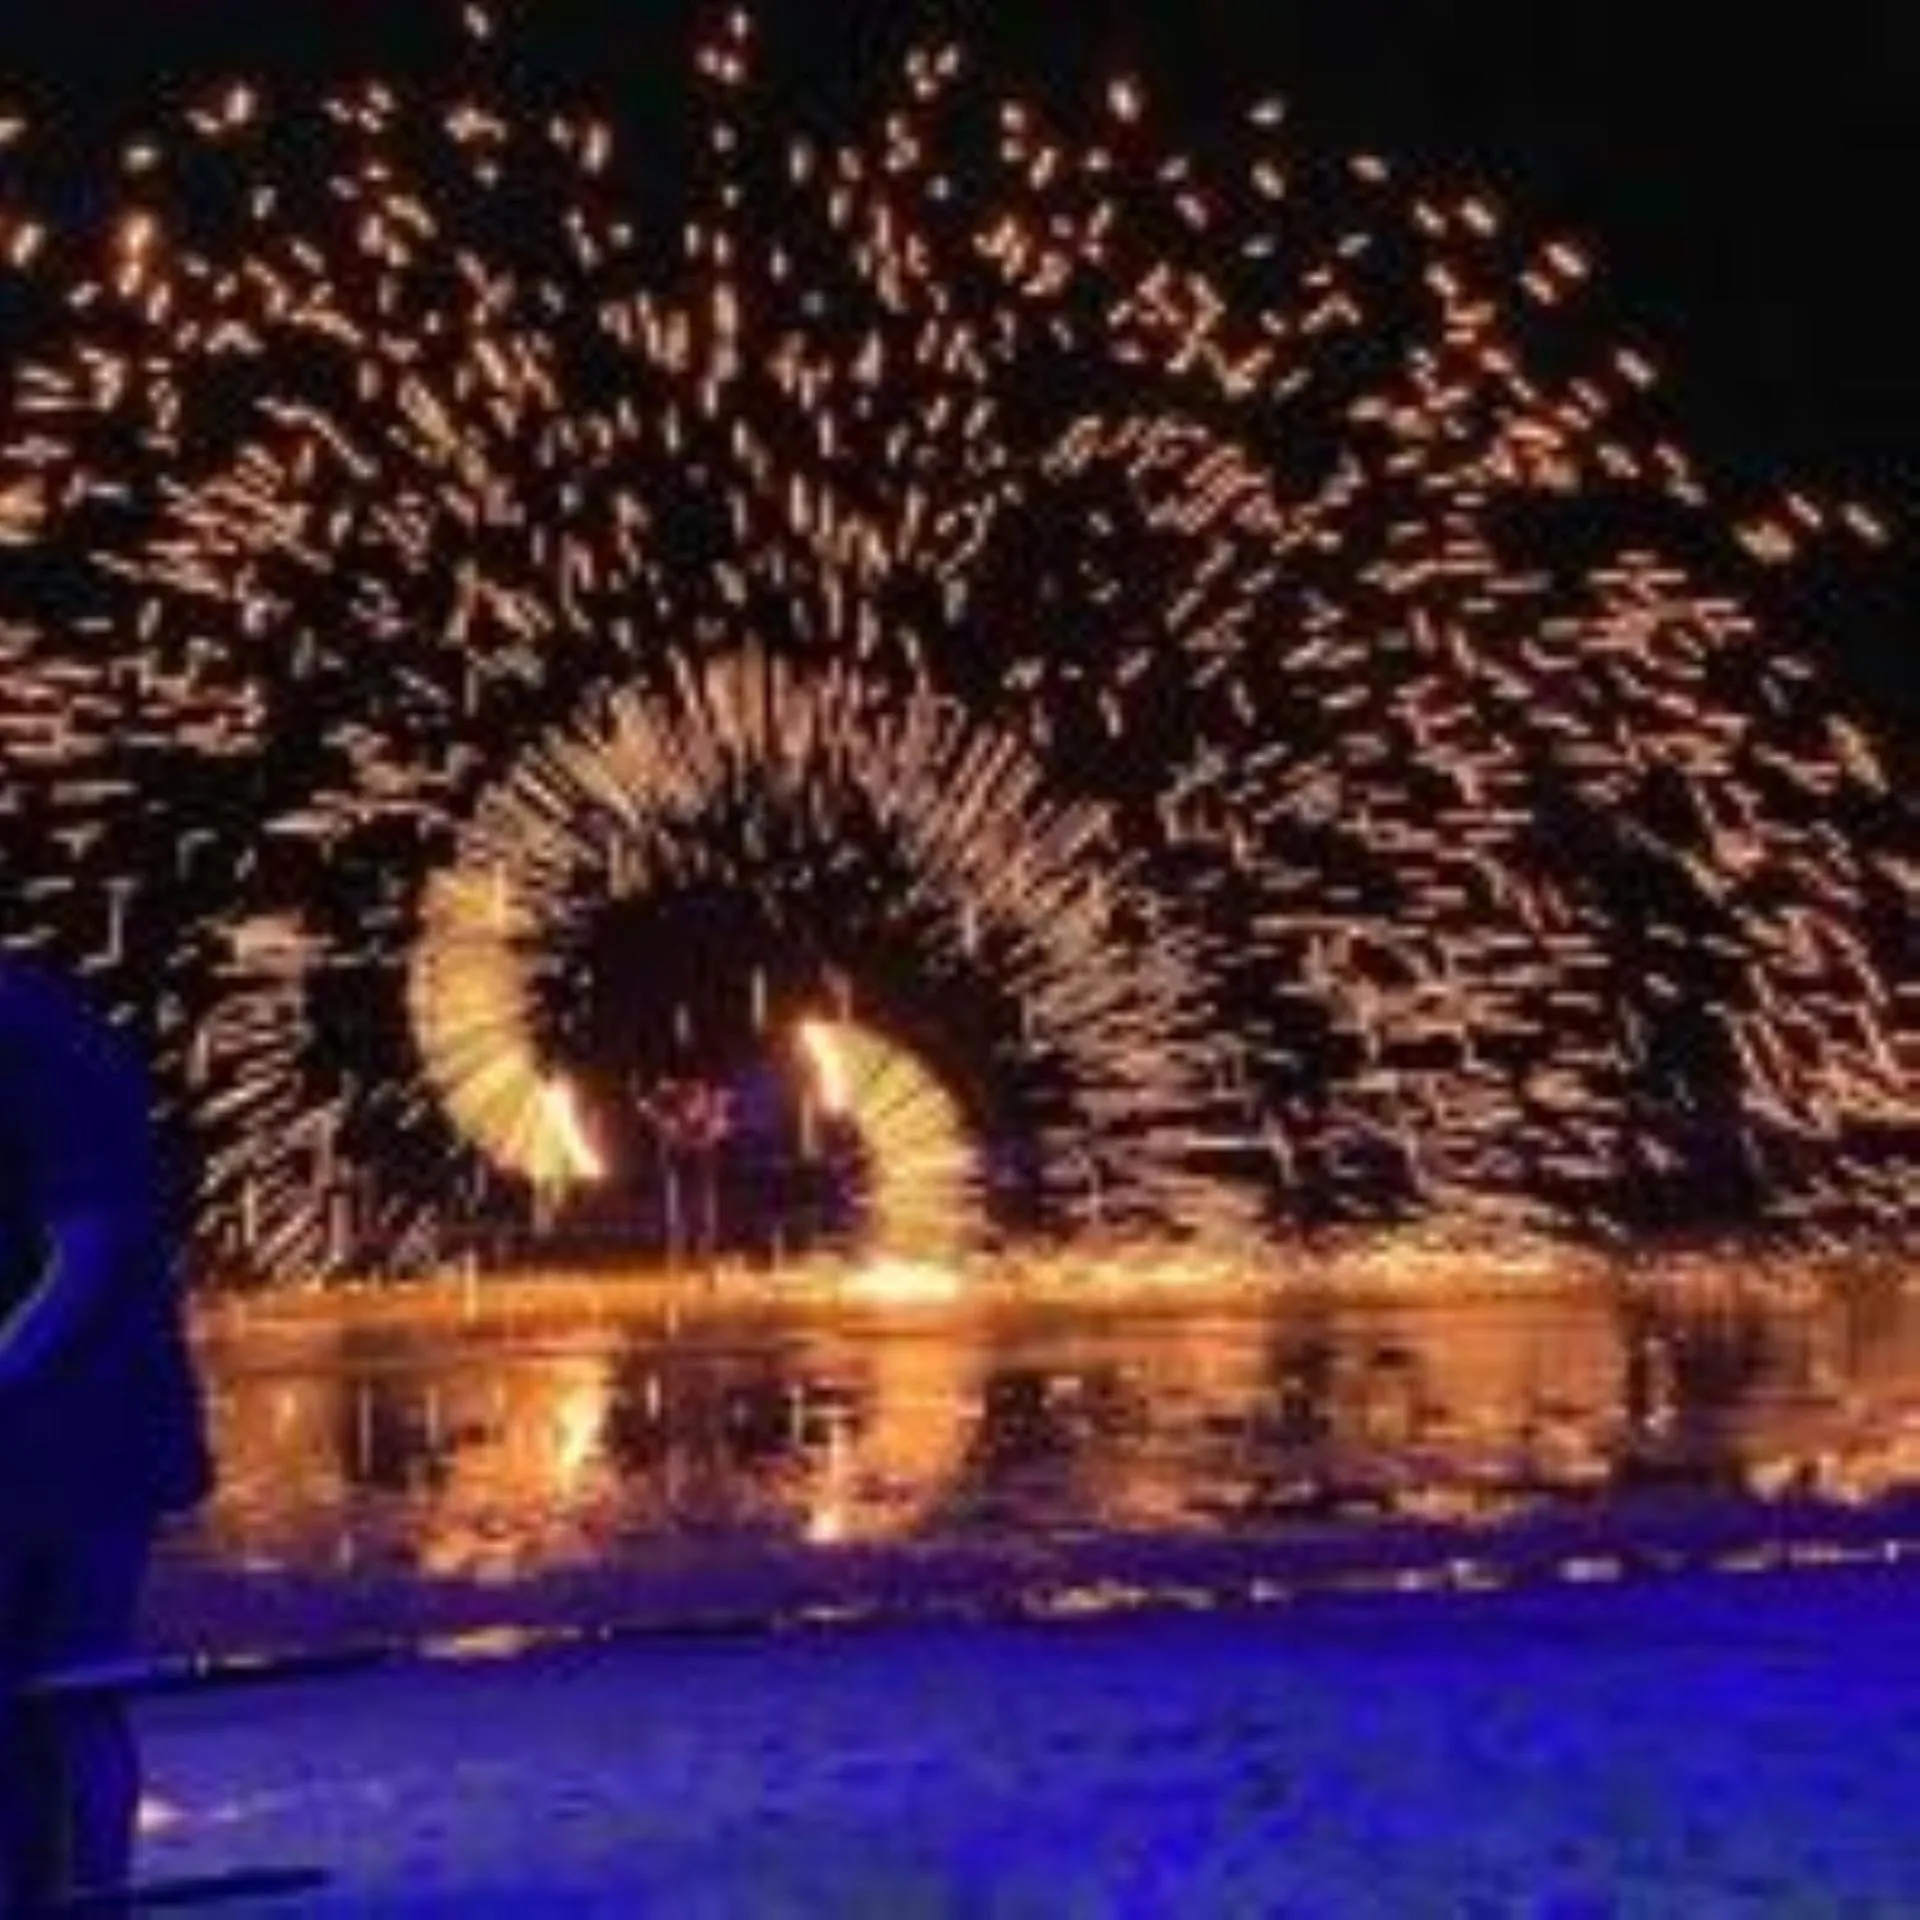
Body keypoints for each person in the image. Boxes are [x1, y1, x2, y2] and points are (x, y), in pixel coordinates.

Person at [0, 958, 213, 1912]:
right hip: (90, 1425)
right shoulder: (50, 1018)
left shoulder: (25, 1032)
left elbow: (86, 1250)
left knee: (64, 1688)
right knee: (64, 1691)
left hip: (65, 1437)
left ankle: (75, 1899)